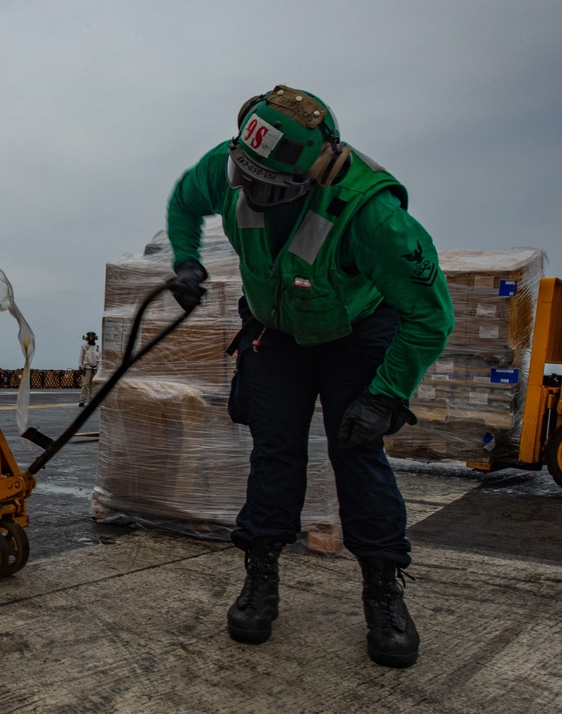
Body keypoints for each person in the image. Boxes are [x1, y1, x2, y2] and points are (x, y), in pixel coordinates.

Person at [165, 85, 454, 668]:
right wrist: (185, 258)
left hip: (356, 335)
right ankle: (261, 576)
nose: (243, 189)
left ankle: (383, 591)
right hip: (276, 332)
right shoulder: (232, 167)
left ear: (311, 176)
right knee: (275, 453)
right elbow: (183, 201)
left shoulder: (373, 216)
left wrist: (385, 395)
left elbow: (431, 314)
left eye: (263, 184)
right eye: (240, 174)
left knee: (359, 455)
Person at [78, 331, 100, 407]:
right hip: (86, 368)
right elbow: (81, 357)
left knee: (93, 385)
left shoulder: (97, 347)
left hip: (94, 368)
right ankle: (82, 401)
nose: (91, 338)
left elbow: (99, 359)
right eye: (90, 336)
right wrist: (80, 366)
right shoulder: (84, 347)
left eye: (92, 336)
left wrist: (99, 368)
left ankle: (93, 401)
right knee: (85, 385)